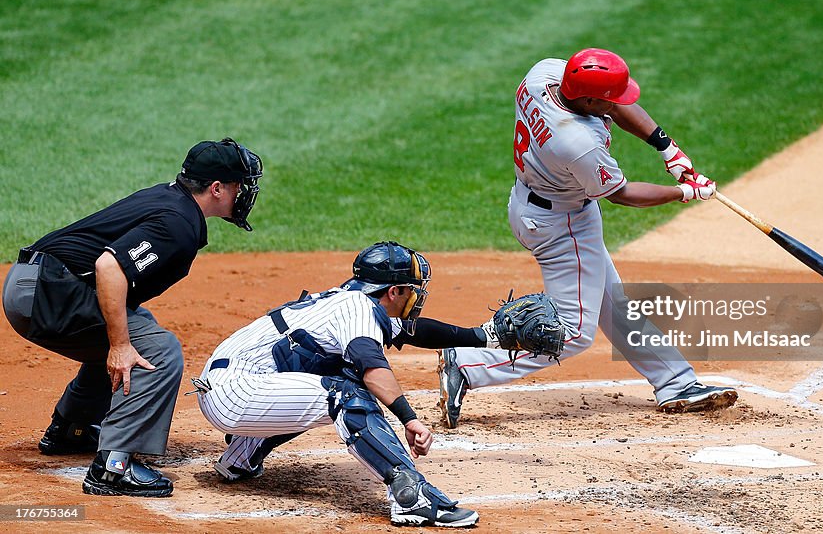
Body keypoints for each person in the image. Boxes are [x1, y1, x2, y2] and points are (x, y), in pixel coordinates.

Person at [439, 48, 739, 428]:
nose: (616, 103)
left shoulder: (544, 75)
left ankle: (675, 382)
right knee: (572, 334)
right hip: (562, 226)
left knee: (609, 299)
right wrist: (684, 192)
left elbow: (612, 106)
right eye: (608, 99)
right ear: (589, 99)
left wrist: (667, 147)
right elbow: (621, 193)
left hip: (532, 202)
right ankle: (467, 366)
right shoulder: (576, 142)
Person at [1, 138, 263, 497]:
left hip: (33, 285)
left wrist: (120, 339)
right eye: (237, 185)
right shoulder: (178, 223)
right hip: (47, 293)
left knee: (129, 325)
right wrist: (120, 346)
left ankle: (72, 427)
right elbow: (109, 267)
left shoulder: (171, 200)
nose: (243, 193)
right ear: (216, 188)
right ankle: (113, 467)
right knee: (157, 349)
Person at [191, 241, 481, 528]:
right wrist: (410, 419)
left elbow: (414, 332)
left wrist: (482, 336)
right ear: (394, 291)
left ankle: (241, 457)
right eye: (412, 289)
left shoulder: (350, 301)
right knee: (345, 391)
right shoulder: (357, 309)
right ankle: (412, 497)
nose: (417, 296)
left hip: (231, 388)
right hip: (236, 394)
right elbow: (372, 370)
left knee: (329, 370)